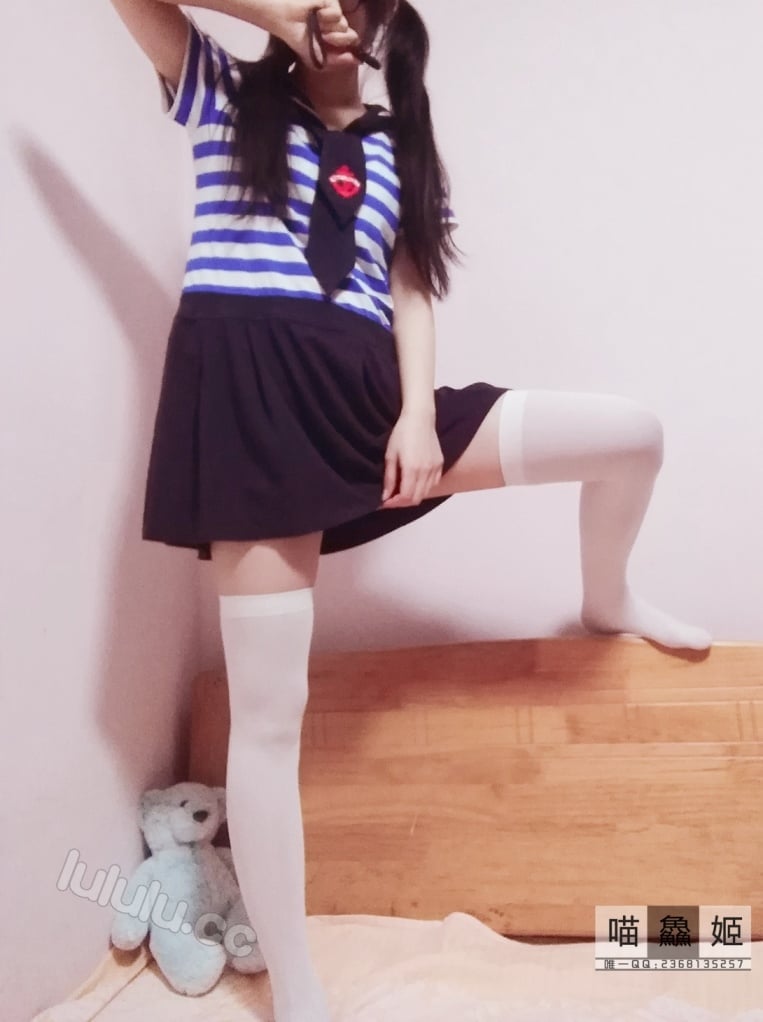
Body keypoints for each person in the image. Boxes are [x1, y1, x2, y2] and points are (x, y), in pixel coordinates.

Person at [111, 1, 712, 1018]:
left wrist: (420, 415)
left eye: (364, 3)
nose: (344, 13)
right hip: (254, 410)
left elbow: (410, 289)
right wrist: (278, 15)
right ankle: (297, 987)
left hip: (375, 405)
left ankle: (606, 598)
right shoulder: (224, 95)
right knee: (269, 714)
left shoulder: (398, 147)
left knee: (632, 434)